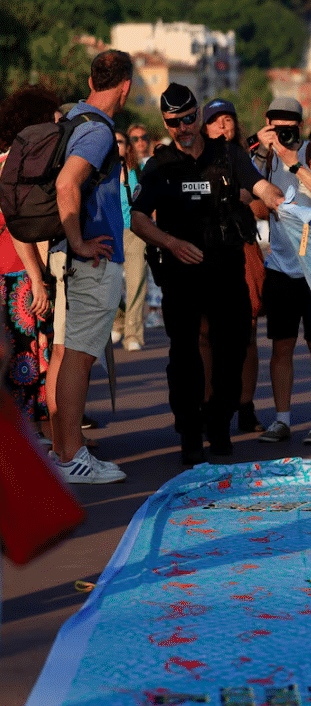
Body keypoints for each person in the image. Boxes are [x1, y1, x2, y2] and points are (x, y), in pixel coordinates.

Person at [130, 84, 285, 465]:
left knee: (232, 350)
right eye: (174, 123)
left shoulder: (228, 154)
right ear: (165, 122)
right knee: (184, 356)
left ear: (198, 114)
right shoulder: (159, 165)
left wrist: (279, 200)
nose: (183, 128)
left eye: (188, 119)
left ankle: (220, 425)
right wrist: (170, 243)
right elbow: (137, 218)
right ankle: (189, 432)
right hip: (181, 272)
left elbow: (260, 186)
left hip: (226, 268)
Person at [43, 50, 133, 484]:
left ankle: (64, 450)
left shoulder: (73, 118)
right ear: (125, 87)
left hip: (66, 253)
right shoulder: (97, 130)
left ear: (92, 80)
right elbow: (67, 183)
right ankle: (72, 456)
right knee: (79, 358)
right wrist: (80, 241)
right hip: (89, 257)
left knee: (64, 354)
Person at [250, 96, 311, 448]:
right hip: (280, 265)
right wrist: (262, 154)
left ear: (301, 126)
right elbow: (254, 203)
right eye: (278, 129)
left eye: (290, 129)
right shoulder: (265, 156)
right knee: (281, 347)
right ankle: (282, 419)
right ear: (268, 125)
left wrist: (294, 164)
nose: (284, 135)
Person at [201, 98, 267, 434]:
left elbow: (264, 205)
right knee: (206, 333)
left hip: (243, 246)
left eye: (228, 119)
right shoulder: (194, 159)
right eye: (216, 120)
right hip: (206, 250)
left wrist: (243, 198)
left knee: (248, 333)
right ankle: (210, 405)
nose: (223, 126)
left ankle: (245, 405)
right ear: (205, 127)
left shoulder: (244, 158)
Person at [0, 87, 58, 431]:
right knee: (27, 359)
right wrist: (38, 278)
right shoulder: (17, 166)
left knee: (24, 358)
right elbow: (19, 226)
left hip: (14, 271)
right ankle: (33, 438)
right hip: (18, 272)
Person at [112, 129, 147, 352]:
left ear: (127, 146)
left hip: (135, 233)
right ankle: (119, 320)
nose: (117, 145)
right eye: (113, 142)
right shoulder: (101, 173)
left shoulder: (138, 170)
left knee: (136, 285)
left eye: (120, 142)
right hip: (110, 234)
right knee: (110, 286)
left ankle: (133, 334)